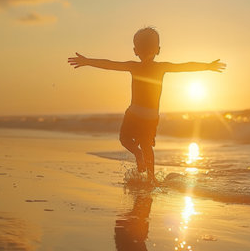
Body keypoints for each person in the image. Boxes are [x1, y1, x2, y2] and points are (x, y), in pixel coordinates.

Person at [68, 27, 226, 183]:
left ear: (135, 50)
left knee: (125, 139)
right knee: (146, 145)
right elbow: (185, 66)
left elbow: (109, 64)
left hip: (134, 112)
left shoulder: (134, 66)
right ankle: (151, 177)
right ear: (158, 49)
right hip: (151, 116)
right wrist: (207, 66)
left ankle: (137, 155)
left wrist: (87, 61)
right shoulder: (161, 67)